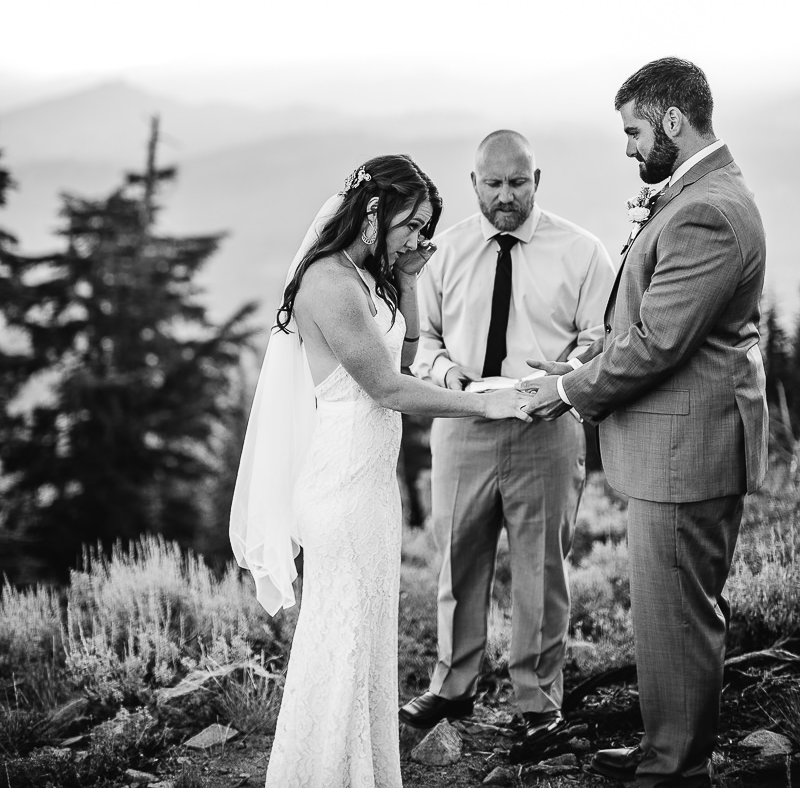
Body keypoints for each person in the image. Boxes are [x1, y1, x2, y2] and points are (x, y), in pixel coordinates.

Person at [229, 154, 534, 788]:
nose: (417, 238)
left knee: (367, 637)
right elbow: (389, 388)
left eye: (425, 227)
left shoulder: (368, 276)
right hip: (338, 488)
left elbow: (411, 347)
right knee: (338, 640)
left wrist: (410, 272)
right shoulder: (329, 284)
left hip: (371, 487)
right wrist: (485, 403)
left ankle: (357, 770)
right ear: (373, 212)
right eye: (410, 225)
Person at [525, 58, 768, 787]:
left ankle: (674, 769)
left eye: (633, 131)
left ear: (671, 121)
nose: (628, 148)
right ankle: (669, 745)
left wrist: (568, 389)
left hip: (687, 449)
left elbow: (662, 342)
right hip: (679, 443)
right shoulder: (696, 194)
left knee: (680, 618)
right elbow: (658, 317)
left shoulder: (707, 211)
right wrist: (602, 341)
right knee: (668, 617)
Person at [399, 131, 615, 744]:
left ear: (537, 181)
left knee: (541, 567)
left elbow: (600, 338)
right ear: (474, 185)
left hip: (547, 426)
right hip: (463, 424)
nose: (505, 196)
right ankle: (452, 686)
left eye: (517, 182)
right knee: (458, 557)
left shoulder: (581, 251)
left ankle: (536, 701)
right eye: (492, 184)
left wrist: (568, 374)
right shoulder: (443, 252)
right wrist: (455, 380)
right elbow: (426, 341)